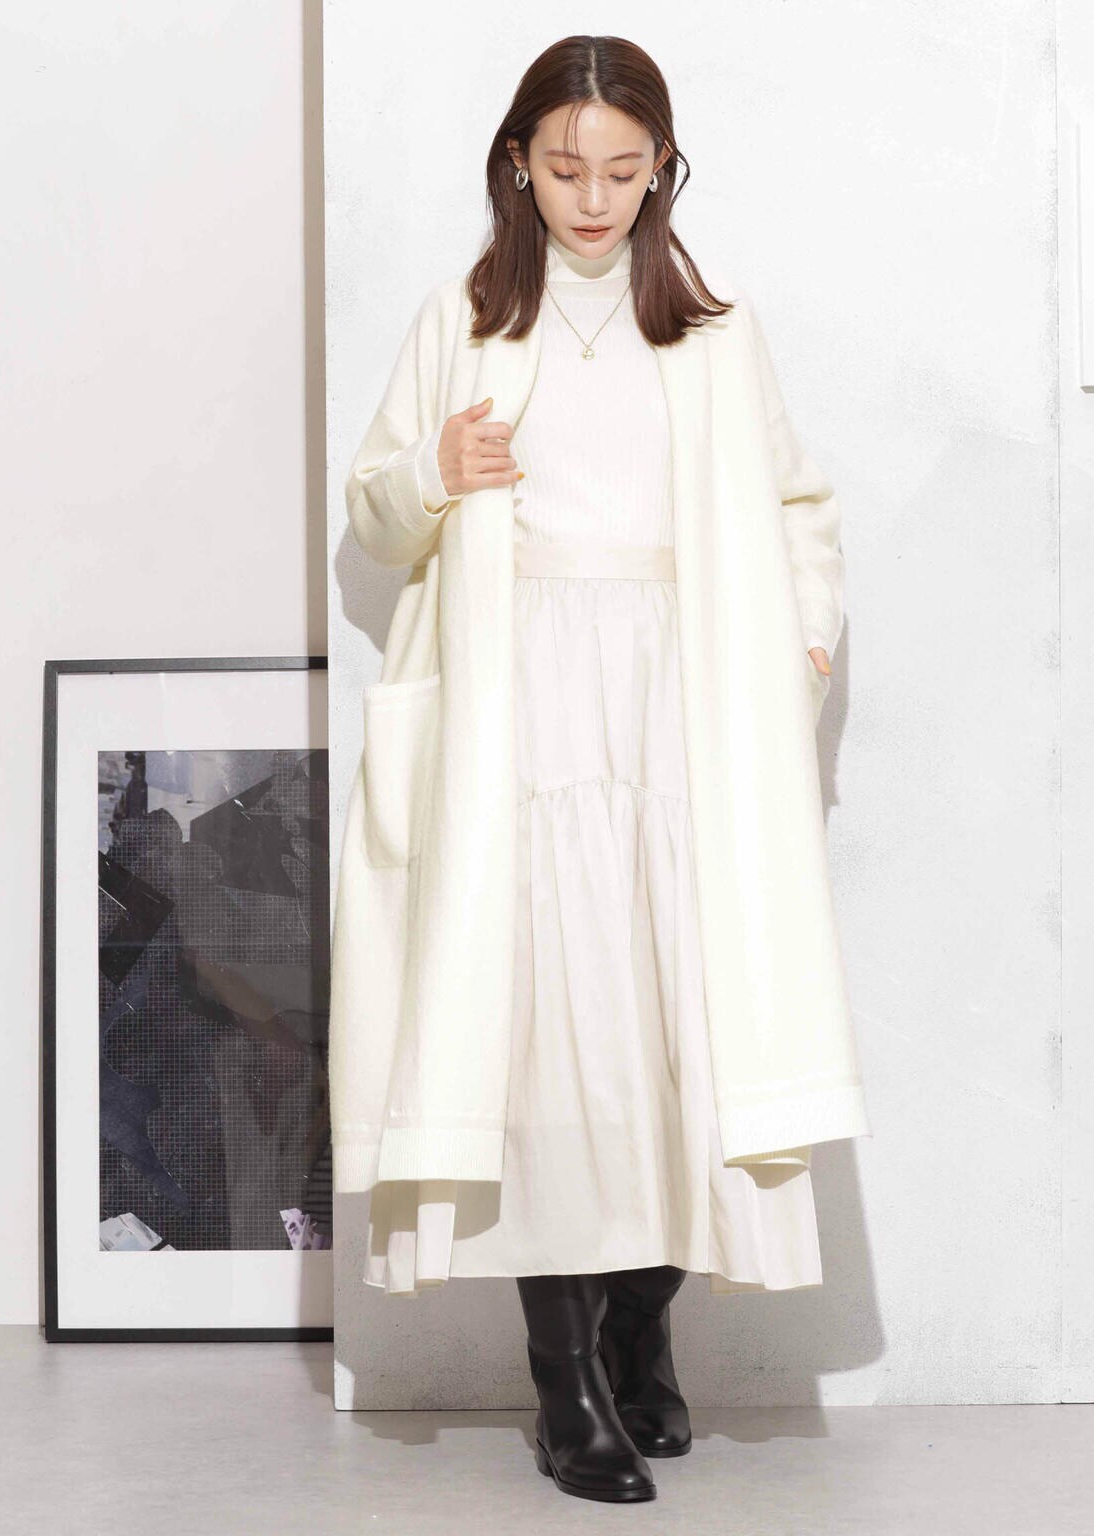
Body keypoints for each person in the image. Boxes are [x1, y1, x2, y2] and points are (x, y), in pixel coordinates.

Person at [332, 34, 871, 1506]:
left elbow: (799, 503)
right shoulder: (462, 317)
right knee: (542, 1041)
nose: (593, 198)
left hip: (677, 706)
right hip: (519, 711)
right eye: (567, 168)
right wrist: (433, 472)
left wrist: (805, 638)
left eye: (624, 172)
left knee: (674, 1028)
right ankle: (566, 1381)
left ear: (661, 170)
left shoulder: (712, 327)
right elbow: (374, 514)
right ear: (519, 163)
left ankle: (643, 1330)